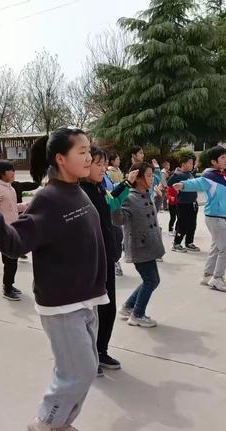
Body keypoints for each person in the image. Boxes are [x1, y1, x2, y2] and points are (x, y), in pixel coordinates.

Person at [0, 128, 106, 431]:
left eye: (89, 150)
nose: (89, 157)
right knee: (78, 370)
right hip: (61, 303)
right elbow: (16, 243)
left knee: (83, 370)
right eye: (82, 152)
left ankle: (63, 423)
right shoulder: (50, 197)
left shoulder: (77, 191)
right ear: (60, 159)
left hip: (85, 298)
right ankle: (45, 423)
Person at [80, 146, 137, 375]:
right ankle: (88, 358)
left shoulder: (98, 187)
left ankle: (100, 352)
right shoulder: (80, 192)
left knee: (108, 309)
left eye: (104, 164)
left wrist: (127, 184)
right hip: (91, 262)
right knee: (90, 314)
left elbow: (111, 204)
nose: (103, 168)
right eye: (98, 164)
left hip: (106, 257)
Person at [173, 146, 226, 292]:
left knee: (216, 247)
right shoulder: (210, 176)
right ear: (213, 161)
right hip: (216, 218)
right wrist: (183, 185)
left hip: (222, 217)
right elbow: (197, 182)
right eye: (222, 158)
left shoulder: (222, 175)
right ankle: (217, 278)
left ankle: (208, 275)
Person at [116, 163, 164, 328]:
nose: (152, 178)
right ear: (137, 178)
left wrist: (158, 198)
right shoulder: (129, 197)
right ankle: (137, 314)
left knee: (151, 280)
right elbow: (118, 220)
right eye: (149, 175)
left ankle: (128, 307)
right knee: (151, 280)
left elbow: (151, 214)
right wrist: (115, 204)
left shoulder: (145, 193)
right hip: (139, 246)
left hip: (150, 244)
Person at [0, 161, 28, 301]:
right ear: (2, 173)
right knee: (10, 260)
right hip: (4, 230)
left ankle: (9, 284)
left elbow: (12, 207)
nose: (13, 173)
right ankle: (7, 288)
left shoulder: (10, 188)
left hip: (14, 229)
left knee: (13, 260)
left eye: (13, 170)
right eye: (10, 170)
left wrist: (25, 206)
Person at [167, 154, 200, 252]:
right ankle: (176, 244)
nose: (192, 165)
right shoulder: (178, 175)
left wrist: (196, 164)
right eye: (190, 163)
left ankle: (189, 243)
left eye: (192, 163)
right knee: (183, 224)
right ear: (183, 164)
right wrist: (175, 173)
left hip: (193, 203)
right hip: (183, 203)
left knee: (192, 224)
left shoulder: (189, 174)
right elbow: (169, 183)